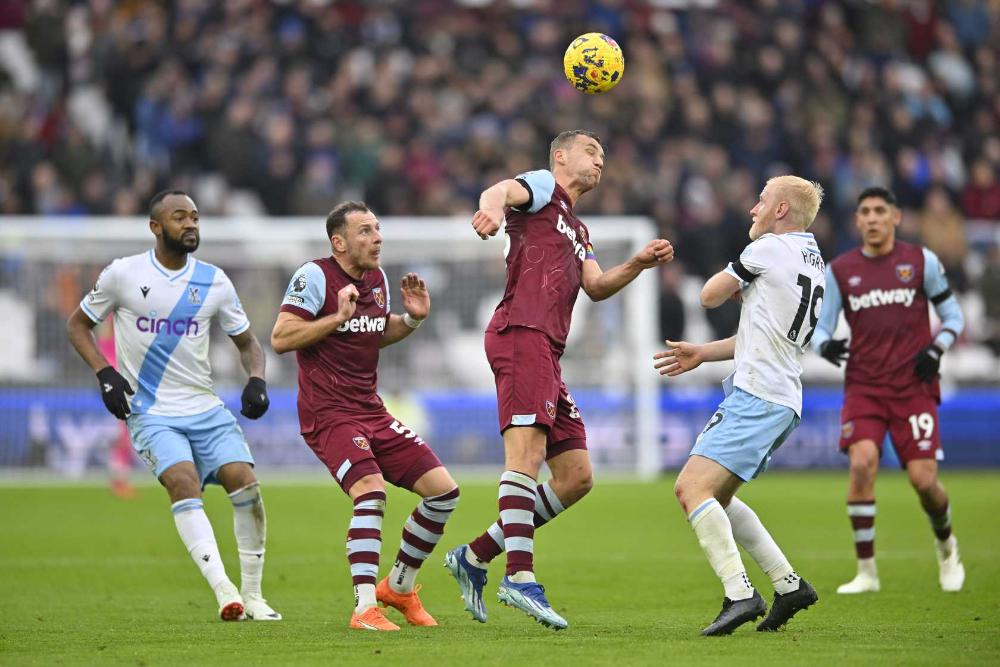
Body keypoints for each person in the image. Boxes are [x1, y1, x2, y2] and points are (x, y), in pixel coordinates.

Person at [444, 130, 674, 631]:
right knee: (524, 458)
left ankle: (475, 555)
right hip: (520, 332)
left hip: (547, 349)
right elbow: (501, 190)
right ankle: (519, 577)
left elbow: (595, 286)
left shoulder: (578, 227)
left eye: (604, 156)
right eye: (593, 152)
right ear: (562, 156)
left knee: (576, 477)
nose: (600, 162)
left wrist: (637, 262)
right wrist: (491, 211)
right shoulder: (545, 186)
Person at [66, 190, 280, 622]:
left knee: (247, 484)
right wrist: (104, 374)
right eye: (179, 217)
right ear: (156, 226)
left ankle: (253, 594)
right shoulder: (123, 274)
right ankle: (225, 592)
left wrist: (256, 379)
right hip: (150, 410)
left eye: (195, 218)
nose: (191, 225)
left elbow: (248, 342)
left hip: (204, 406)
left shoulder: (214, 281)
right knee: (183, 483)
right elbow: (78, 325)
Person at [271, 201, 459, 632]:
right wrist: (336, 316)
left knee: (444, 493)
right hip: (328, 413)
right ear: (338, 242)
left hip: (369, 409)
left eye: (377, 229)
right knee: (371, 494)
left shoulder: (377, 279)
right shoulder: (315, 276)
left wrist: (411, 320)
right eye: (364, 231)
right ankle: (363, 609)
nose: (376, 237)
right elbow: (281, 338)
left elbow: (371, 334)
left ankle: (399, 586)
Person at [654, 175, 825, 635]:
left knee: (691, 489)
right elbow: (761, 334)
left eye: (762, 200)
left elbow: (707, 295)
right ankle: (789, 586)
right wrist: (702, 353)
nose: (753, 209)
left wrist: (731, 284)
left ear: (782, 211)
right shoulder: (812, 261)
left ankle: (739, 594)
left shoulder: (768, 249)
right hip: (783, 396)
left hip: (758, 394)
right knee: (720, 497)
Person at [812, 186, 966, 594]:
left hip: (913, 387)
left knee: (923, 482)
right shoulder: (841, 270)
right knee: (862, 464)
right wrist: (824, 345)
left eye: (881, 210)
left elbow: (953, 316)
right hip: (864, 385)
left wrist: (937, 348)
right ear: (857, 221)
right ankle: (866, 572)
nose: (873, 217)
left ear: (896, 217)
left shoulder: (920, 261)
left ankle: (947, 546)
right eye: (865, 211)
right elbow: (821, 328)